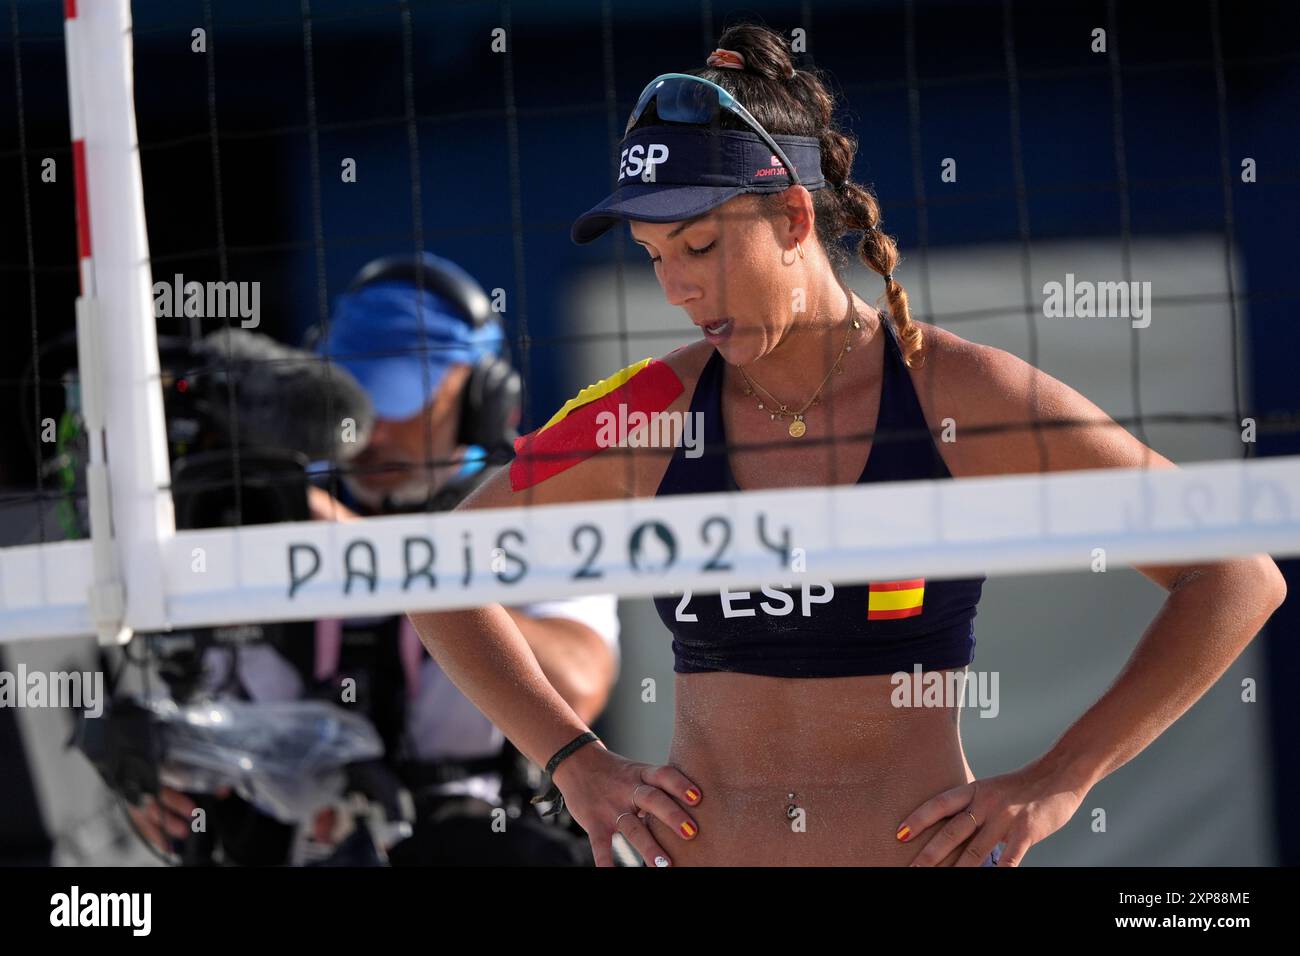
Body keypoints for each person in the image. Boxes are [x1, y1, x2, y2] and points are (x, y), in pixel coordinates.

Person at [405, 23, 1287, 867]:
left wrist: (1059, 781)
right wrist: (574, 762)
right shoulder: (648, 409)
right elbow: (439, 567)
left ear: (793, 216)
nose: (677, 288)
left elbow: (1235, 574)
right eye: (653, 255)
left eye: (701, 245)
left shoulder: (957, 394)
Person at [129, 252, 622, 866]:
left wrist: (377, 559)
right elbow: (196, 696)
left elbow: (578, 683)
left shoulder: (536, 504)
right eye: (351, 402)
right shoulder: (267, 508)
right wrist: (157, 762)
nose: (367, 434)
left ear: (480, 396)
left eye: (393, 398)